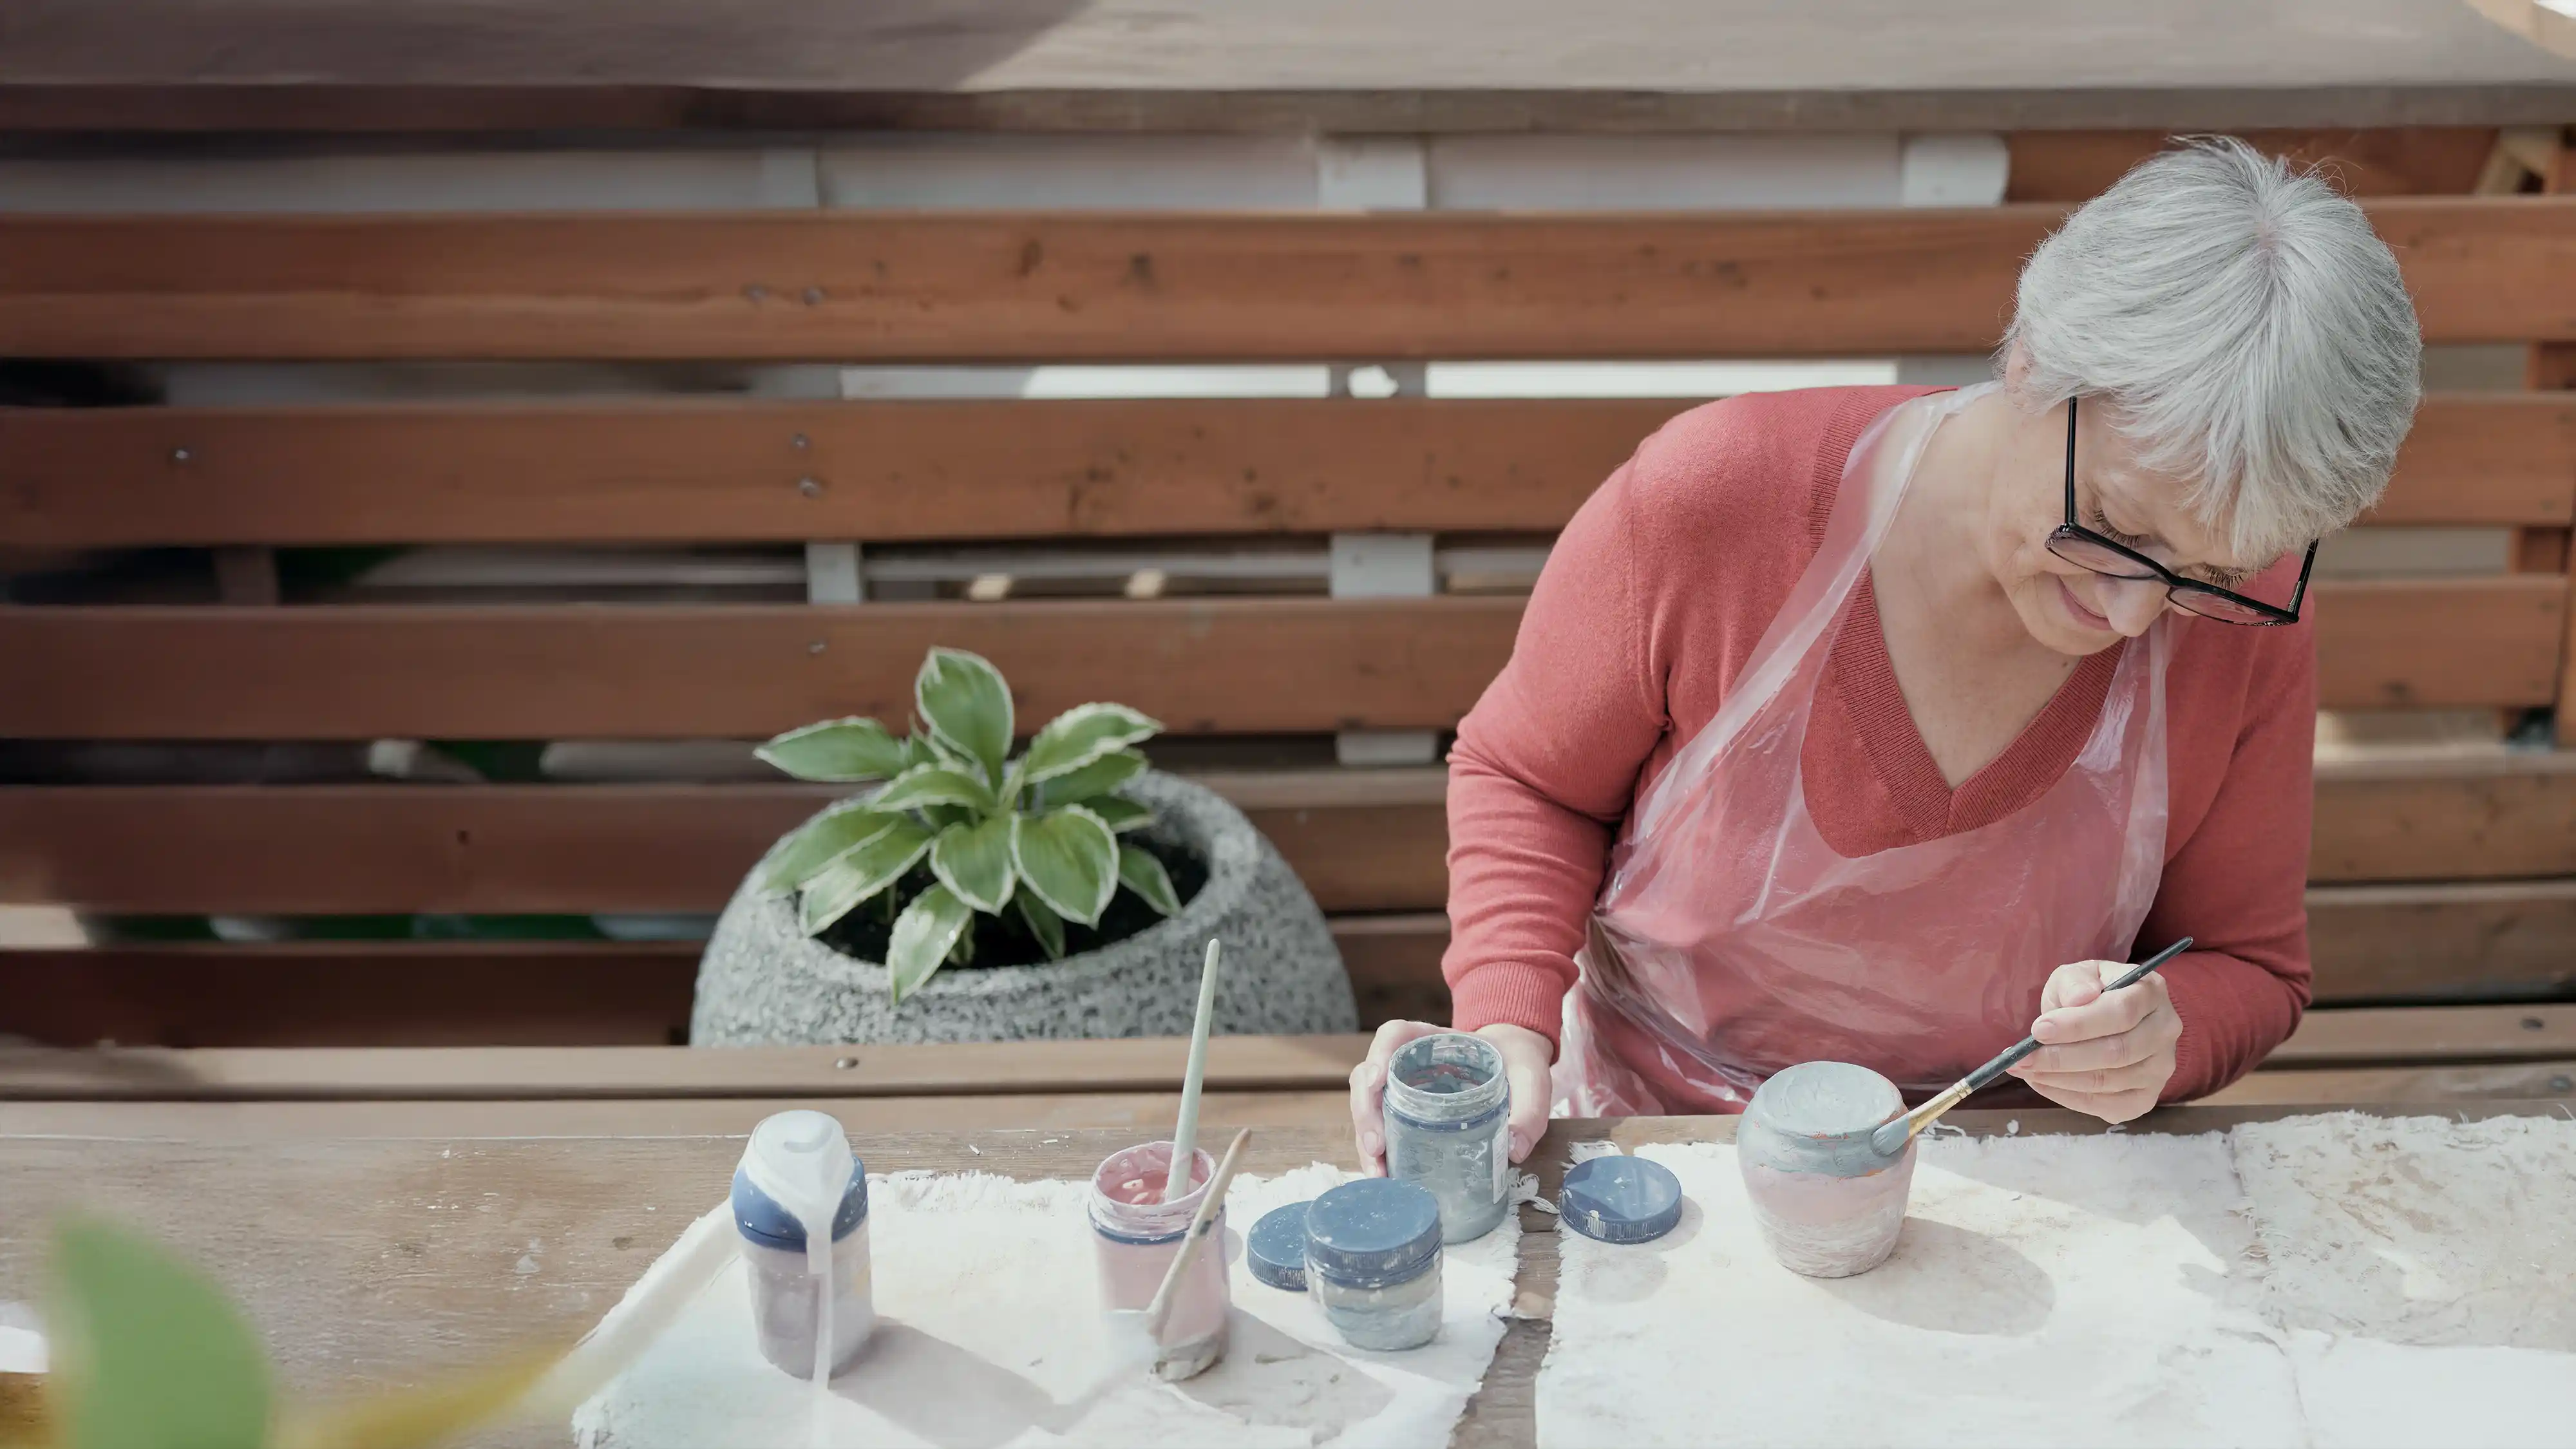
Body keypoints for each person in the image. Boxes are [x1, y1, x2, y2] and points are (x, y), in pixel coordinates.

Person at [1350, 138, 2423, 1171]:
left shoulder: (2246, 626)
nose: (2139, 611)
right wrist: (1506, 1030)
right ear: (2032, 361)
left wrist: (2161, 1037)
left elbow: (2252, 966)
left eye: (2205, 573)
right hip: (1659, 1144)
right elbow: (1527, 778)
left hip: (2025, 1169)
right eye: (2112, 523)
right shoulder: (1716, 500)